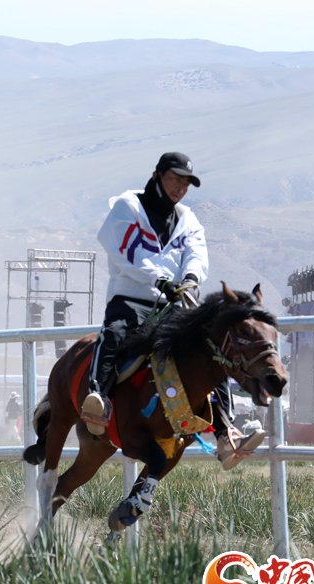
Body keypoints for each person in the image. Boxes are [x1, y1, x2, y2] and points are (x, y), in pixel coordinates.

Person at [83, 152, 265, 469]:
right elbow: (127, 252)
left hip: (173, 304)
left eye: (185, 183)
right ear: (157, 176)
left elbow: (196, 252)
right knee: (113, 333)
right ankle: (97, 400)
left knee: (212, 348)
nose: (180, 187)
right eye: (174, 179)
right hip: (131, 298)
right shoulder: (127, 207)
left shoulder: (188, 219)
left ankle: (226, 434)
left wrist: (191, 278)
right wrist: (161, 279)